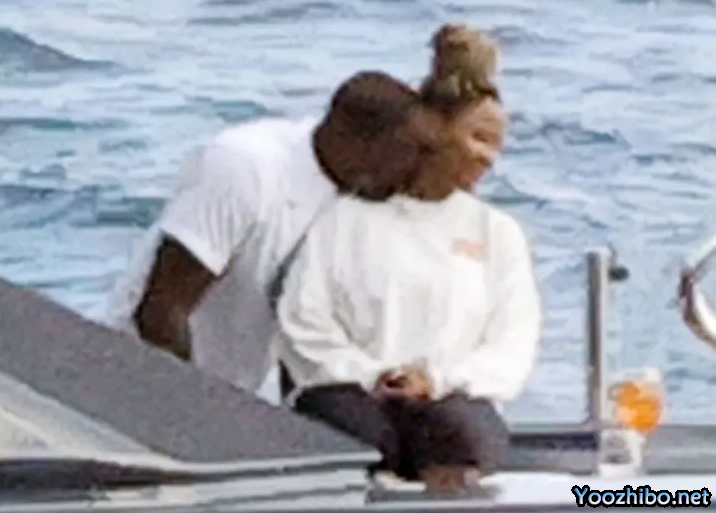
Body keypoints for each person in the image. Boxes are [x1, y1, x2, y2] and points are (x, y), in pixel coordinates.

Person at [277, 25, 542, 492]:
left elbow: (512, 345)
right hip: (354, 394)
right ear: (436, 132)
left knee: (457, 435)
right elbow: (304, 322)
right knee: (358, 434)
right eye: (479, 139)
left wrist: (436, 380)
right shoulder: (346, 218)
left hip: (450, 399)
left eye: (498, 145)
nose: (490, 158)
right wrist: (373, 375)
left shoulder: (496, 233)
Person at [103, 70, 438, 392]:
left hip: (233, 390)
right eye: (404, 154)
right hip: (133, 376)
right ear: (357, 145)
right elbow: (160, 311)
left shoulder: (354, 195)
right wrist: (198, 406)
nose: (412, 171)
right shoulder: (246, 169)